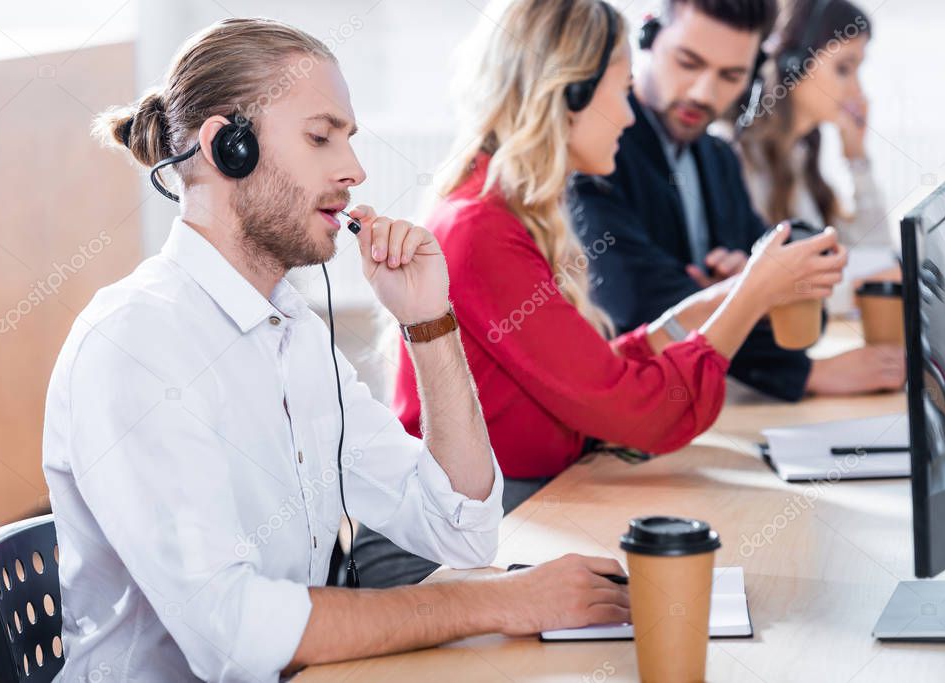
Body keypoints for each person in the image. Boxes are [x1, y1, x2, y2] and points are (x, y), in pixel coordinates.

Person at [42, 18, 632, 682]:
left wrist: (430, 323)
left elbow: (459, 530)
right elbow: (233, 636)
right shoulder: (137, 342)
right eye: (320, 137)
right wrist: (494, 601)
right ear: (226, 146)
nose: (352, 170)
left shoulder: (291, 328)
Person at [352, 0, 847, 588]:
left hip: (514, 510)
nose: (630, 116)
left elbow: (597, 373)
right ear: (568, 95)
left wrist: (734, 293)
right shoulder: (480, 229)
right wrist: (751, 294)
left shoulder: (506, 210)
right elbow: (642, 411)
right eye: (619, 91)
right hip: (432, 555)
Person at [569, 0, 905, 401]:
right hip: (629, 408)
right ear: (648, 40)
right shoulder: (598, 150)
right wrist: (795, 359)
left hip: (707, 400)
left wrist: (751, 286)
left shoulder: (718, 159)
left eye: (731, 75)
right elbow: (638, 302)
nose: (703, 93)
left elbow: (790, 290)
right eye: (688, 63)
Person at [733, 0, 897, 310]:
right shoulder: (741, 161)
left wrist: (857, 157)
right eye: (844, 69)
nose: (857, 89)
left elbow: (875, 249)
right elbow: (768, 294)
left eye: (858, 70)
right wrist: (866, 285)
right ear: (793, 65)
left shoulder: (801, 158)